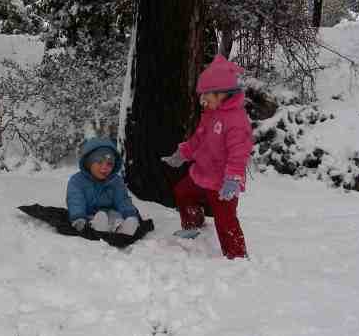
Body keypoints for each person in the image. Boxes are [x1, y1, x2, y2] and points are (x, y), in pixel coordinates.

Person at [161, 54, 253, 259]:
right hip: (203, 172)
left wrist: (233, 179)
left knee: (225, 220)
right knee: (183, 192)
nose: (202, 101)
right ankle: (193, 225)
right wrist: (182, 153)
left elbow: (239, 153)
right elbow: (198, 139)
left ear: (221, 93)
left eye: (206, 96)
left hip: (223, 182)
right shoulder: (211, 114)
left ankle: (237, 256)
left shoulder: (236, 121)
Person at [67, 137, 141, 237]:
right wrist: (78, 217)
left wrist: (130, 214)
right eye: (99, 162)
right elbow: (75, 200)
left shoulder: (115, 181)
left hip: (110, 213)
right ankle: (97, 227)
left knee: (116, 217)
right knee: (99, 217)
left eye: (109, 164)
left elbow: (123, 200)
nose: (104, 167)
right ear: (89, 163)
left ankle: (122, 229)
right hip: (88, 215)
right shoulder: (77, 181)